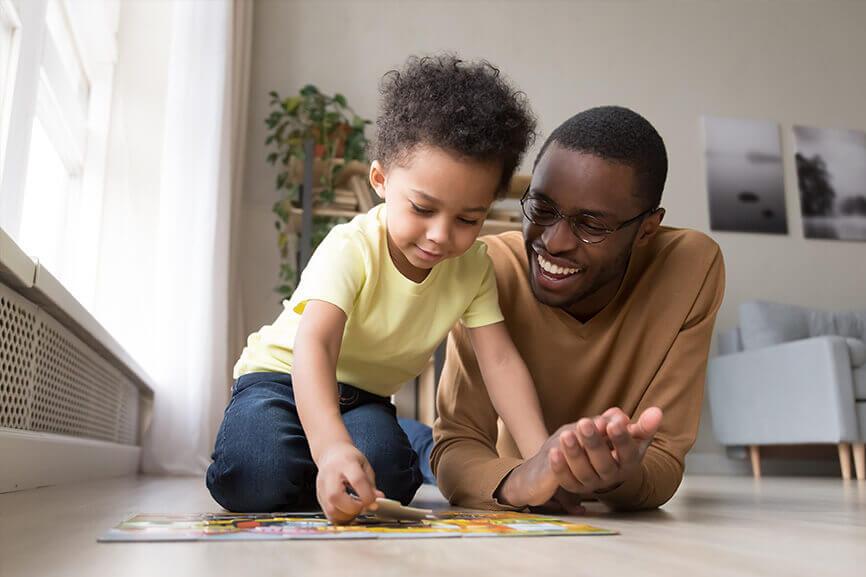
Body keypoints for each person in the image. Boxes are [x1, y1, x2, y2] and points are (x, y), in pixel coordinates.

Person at [206, 54, 544, 523]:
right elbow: (316, 346)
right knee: (254, 478)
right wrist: (331, 451)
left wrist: (542, 458)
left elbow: (501, 363)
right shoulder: (351, 246)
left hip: (363, 398)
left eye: (469, 218)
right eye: (423, 209)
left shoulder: (473, 267)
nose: (441, 236)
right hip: (281, 379)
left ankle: (361, 442)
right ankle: (308, 442)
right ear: (381, 180)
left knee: (388, 476)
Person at [412, 105, 725, 512]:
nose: (554, 242)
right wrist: (523, 480)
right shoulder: (489, 267)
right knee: (407, 452)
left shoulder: (690, 267)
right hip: (510, 467)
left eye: (591, 225)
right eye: (541, 210)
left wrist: (620, 474)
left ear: (647, 229)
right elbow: (457, 448)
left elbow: (663, 463)